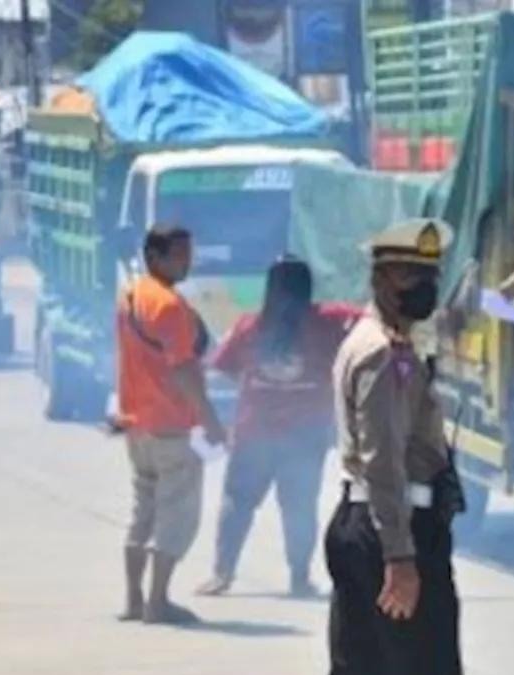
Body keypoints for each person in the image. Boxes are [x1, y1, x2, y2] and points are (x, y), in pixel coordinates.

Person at [319, 218, 466, 675]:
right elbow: (383, 461)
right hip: (393, 529)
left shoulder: (384, 342)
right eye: (410, 275)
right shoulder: (381, 353)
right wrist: (400, 558)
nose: (423, 284)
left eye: (430, 273)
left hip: (366, 523)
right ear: (381, 278)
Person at [195, 255, 363, 599]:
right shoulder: (329, 322)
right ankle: (299, 579)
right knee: (299, 508)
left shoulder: (250, 327)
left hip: (254, 433)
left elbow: (223, 366)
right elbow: (368, 321)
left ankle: (222, 574)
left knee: (237, 502)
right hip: (305, 438)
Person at [113, 225, 225, 625]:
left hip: (137, 423)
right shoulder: (171, 307)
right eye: (179, 254)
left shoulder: (129, 296)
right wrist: (210, 419)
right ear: (154, 257)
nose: (187, 261)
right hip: (171, 425)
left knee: (142, 511)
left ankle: (133, 600)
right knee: (176, 515)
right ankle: (158, 601)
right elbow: (182, 371)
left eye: (188, 253)